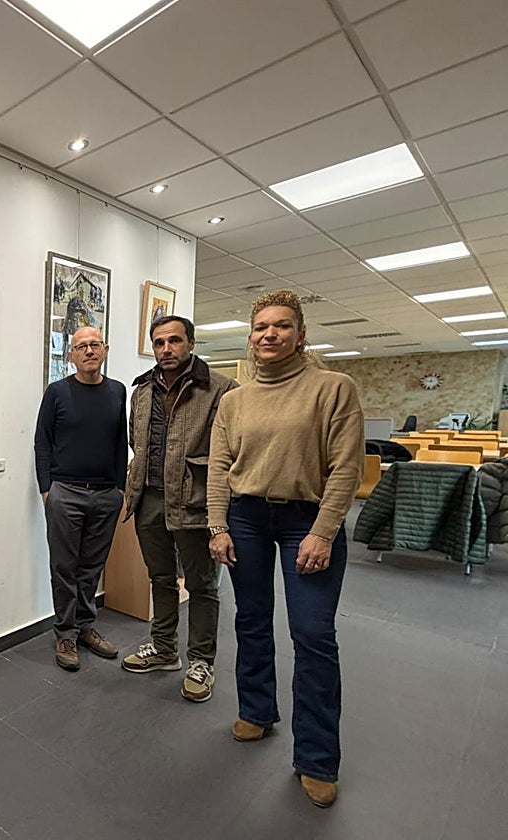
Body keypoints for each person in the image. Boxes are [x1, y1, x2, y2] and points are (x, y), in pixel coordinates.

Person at [207, 290, 363, 809]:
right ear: (250, 337)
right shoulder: (234, 400)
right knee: (251, 619)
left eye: (281, 326)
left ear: (301, 335)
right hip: (246, 517)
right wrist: (217, 525)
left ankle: (316, 758)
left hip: (307, 520)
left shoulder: (333, 388)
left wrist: (324, 531)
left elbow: (346, 467)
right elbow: (219, 467)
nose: (269, 334)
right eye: (260, 327)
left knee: (313, 635)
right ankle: (256, 710)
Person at [122, 315, 236, 702]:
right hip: (148, 498)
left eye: (174, 340)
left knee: (202, 585)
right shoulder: (141, 390)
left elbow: (232, 450)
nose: (166, 349)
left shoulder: (221, 389)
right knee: (161, 577)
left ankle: (201, 661)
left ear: (191, 343)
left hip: (195, 501)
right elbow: (136, 441)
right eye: (159, 342)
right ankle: (164, 648)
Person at [34, 326, 128, 671]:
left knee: (92, 566)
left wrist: (120, 488)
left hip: (106, 494)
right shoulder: (57, 392)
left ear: (105, 350)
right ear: (71, 355)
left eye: (94, 345)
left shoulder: (117, 391)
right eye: (81, 346)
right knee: (64, 567)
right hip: (65, 493)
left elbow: (121, 442)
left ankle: (86, 627)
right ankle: (65, 633)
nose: (89, 351)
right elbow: (42, 442)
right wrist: (47, 489)